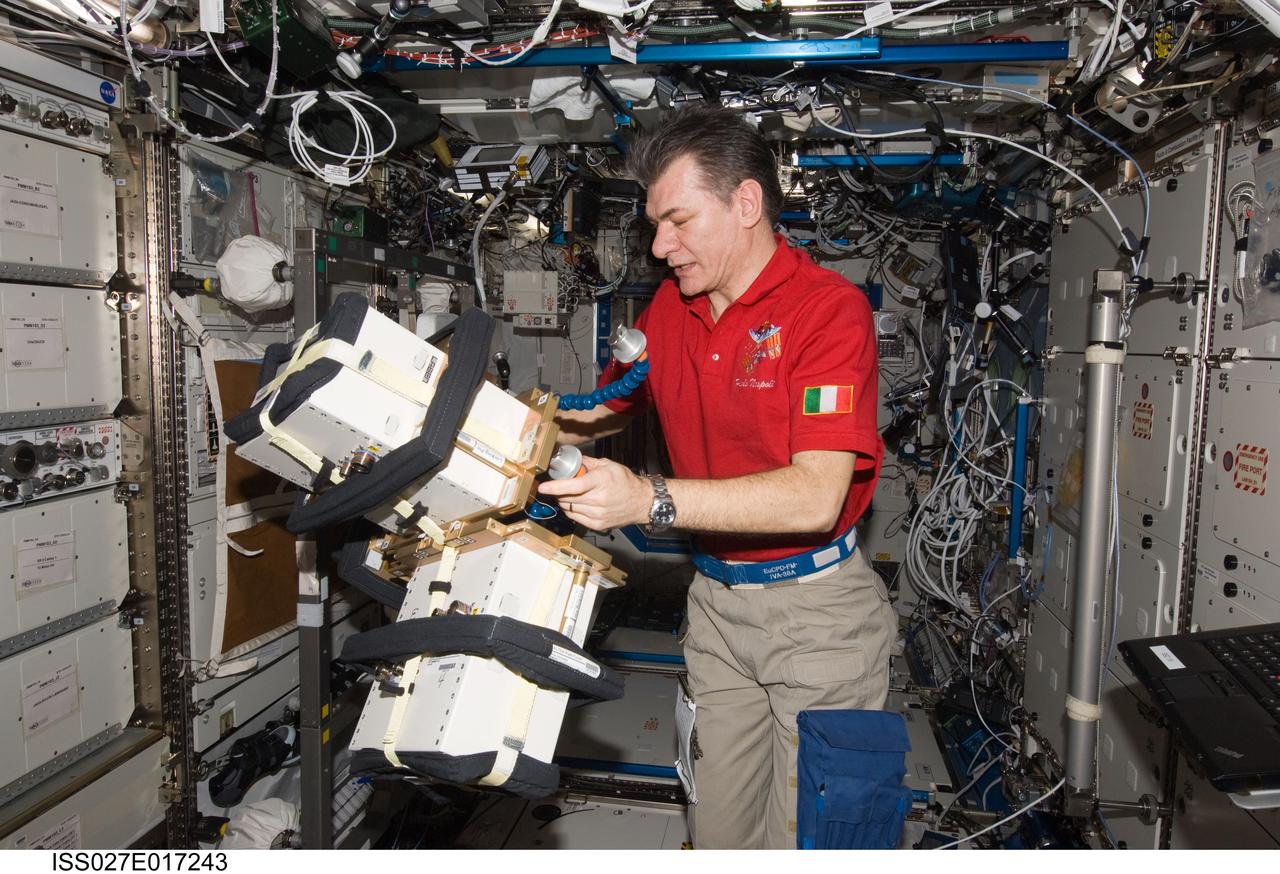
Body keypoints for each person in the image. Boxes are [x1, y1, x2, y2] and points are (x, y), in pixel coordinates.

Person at [537, 104, 895, 850]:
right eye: (653, 225)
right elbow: (605, 410)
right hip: (717, 611)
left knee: (816, 842)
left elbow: (816, 493)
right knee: (719, 829)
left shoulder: (827, 312)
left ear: (746, 203)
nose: (661, 246)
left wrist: (649, 498)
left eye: (677, 221)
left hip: (817, 615)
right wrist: (502, 425)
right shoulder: (673, 308)